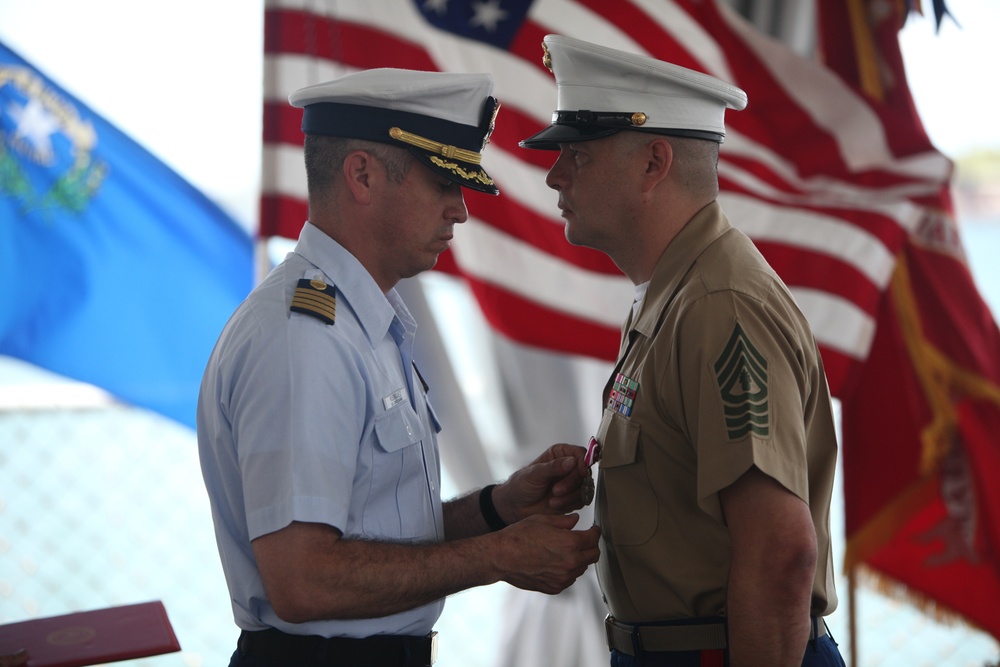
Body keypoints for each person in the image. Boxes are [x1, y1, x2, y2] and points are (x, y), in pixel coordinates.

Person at [197, 68, 601, 667]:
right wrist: (498, 556)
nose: (459, 211)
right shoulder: (306, 338)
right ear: (360, 175)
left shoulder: (363, 325)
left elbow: (372, 532)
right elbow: (304, 579)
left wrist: (499, 509)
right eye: (443, 182)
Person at [520, 35, 845, 667]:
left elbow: (781, 554)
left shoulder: (718, 305)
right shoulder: (674, 293)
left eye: (577, 154)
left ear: (654, 163)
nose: (554, 173)